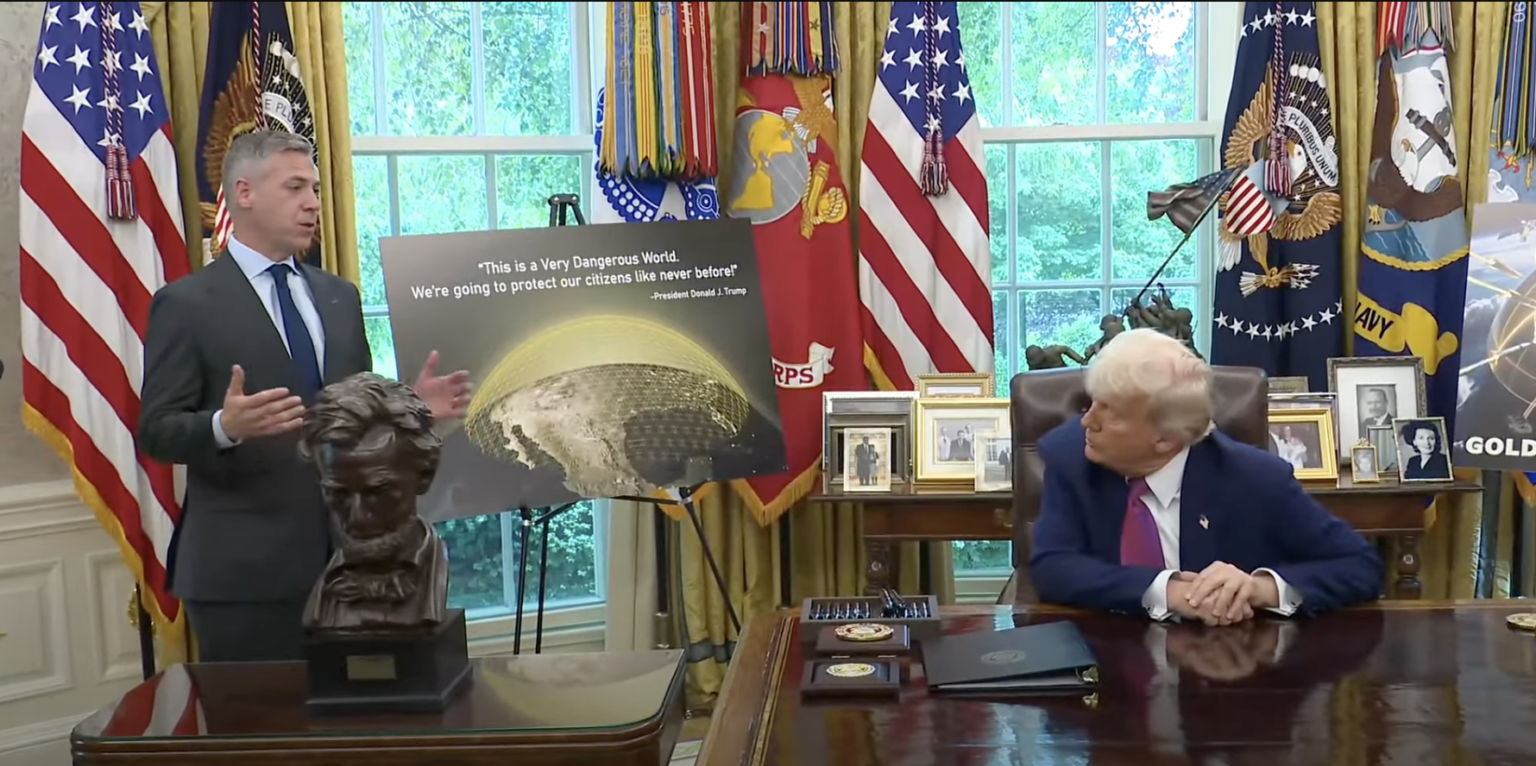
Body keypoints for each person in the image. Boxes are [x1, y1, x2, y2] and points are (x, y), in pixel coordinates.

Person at [137, 130, 471, 662]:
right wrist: (225, 426)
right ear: (244, 193)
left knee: (360, 713)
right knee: (263, 716)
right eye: (295, 188)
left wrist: (407, 407)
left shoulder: (338, 296)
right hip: (244, 579)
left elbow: (352, 416)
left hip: (355, 566)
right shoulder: (186, 304)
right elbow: (156, 431)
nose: (313, 203)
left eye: (315, 189)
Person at [1028, 329, 1382, 624]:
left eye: (1113, 413)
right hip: (1104, 662)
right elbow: (1052, 568)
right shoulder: (1071, 457)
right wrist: (1168, 591)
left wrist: (1258, 589)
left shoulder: (1256, 480)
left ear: (1166, 439)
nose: (1087, 421)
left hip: (1227, 665)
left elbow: (1359, 566)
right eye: (1093, 402)